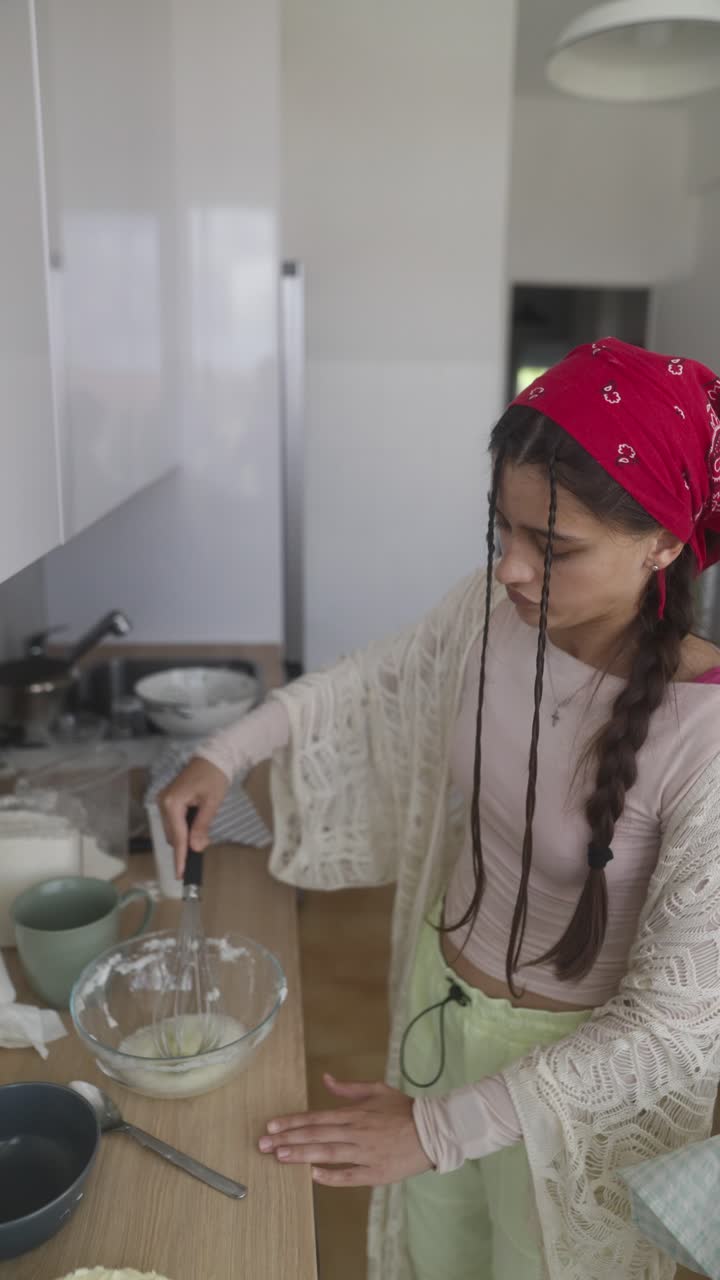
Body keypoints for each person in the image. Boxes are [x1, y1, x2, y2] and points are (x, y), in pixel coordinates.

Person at [159, 337, 720, 1280]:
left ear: (664, 542)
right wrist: (226, 753)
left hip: (563, 1091)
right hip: (438, 1004)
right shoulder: (489, 615)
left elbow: (676, 1027)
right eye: (503, 531)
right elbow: (376, 679)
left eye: (554, 547)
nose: (511, 568)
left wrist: (438, 1129)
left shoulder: (703, 740)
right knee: (434, 1254)